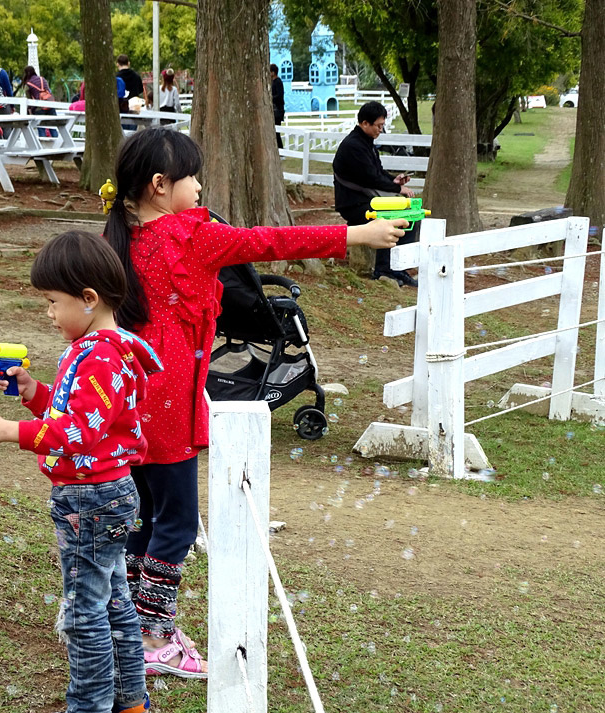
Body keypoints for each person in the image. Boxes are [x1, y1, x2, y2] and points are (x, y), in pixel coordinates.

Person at [102, 128, 406, 678]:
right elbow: (273, 241)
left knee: (143, 518)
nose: (199, 188)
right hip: (170, 405)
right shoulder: (192, 238)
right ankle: (150, 633)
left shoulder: (122, 238)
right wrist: (358, 236)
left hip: (131, 400)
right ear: (159, 186)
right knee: (177, 523)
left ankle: (120, 617)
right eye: (192, 177)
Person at [0, 231, 162, 713]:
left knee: (83, 613)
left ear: (88, 299)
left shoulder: (101, 355)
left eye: (53, 302)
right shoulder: (108, 346)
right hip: (108, 494)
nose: (48, 313)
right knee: (113, 603)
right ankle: (131, 702)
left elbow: (77, 434)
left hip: (89, 501)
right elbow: (86, 414)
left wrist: (10, 430)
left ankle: (88, 706)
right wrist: (32, 391)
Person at [332, 101, 419, 287]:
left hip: (365, 200)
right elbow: (370, 179)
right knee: (398, 216)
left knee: (411, 215)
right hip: (354, 205)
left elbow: (377, 173)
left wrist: (394, 180)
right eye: (378, 125)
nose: (381, 130)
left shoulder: (366, 143)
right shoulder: (354, 146)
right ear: (365, 123)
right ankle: (385, 268)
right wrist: (398, 189)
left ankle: (398, 267)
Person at [21, 65, 57, 137]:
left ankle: (43, 146)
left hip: (39, 108)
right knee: (53, 127)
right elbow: (48, 91)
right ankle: (57, 144)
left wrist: (30, 110)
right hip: (50, 105)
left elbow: (29, 100)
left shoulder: (28, 84)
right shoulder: (43, 79)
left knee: (41, 128)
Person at [271, 64, 285, 150]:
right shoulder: (272, 82)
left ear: (273, 72)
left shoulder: (278, 82)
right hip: (274, 109)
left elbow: (279, 95)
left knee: (277, 131)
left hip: (278, 110)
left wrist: (271, 98)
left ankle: (281, 150)